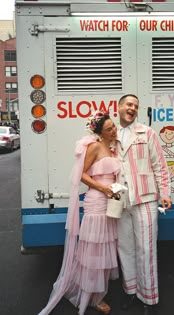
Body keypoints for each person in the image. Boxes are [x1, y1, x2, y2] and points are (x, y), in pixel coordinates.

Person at [38, 110, 120, 315]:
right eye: (109, 128)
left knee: (104, 247)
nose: (114, 130)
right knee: (93, 250)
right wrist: (103, 188)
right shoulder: (94, 146)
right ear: (100, 132)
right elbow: (81, 174)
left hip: (109, 201)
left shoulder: (111, 147)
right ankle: (90, 297)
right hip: (97, 201)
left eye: (114, 126)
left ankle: (98, 292)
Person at [116, 94, 172, 315]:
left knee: (146, 249)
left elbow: (160, 166)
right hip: (120, 201)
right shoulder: (109, 134)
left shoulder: (147, 132)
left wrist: (165, 193)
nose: (132, 108)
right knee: (125, 248)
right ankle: (131, 291)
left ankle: (147, 297)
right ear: (119, 107)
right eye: (129, 104)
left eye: (136, 106)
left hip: (146, 198)